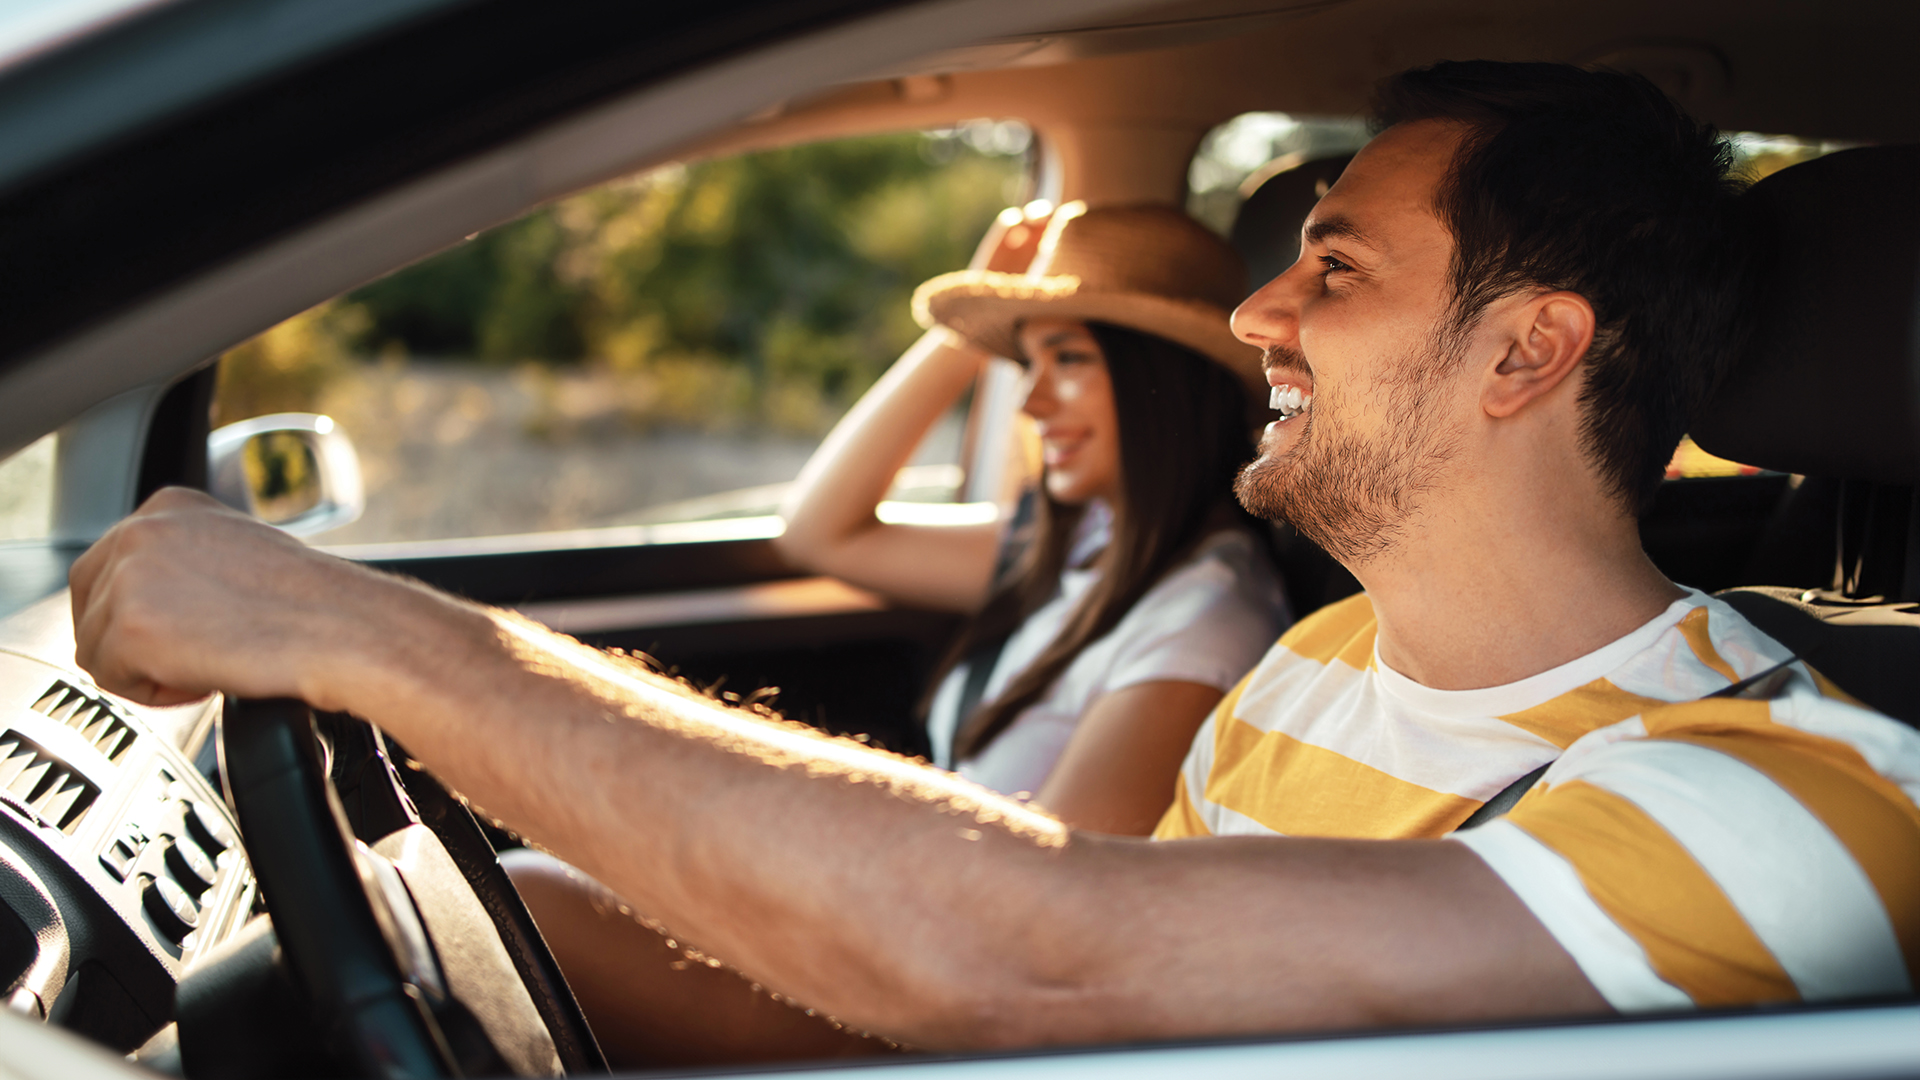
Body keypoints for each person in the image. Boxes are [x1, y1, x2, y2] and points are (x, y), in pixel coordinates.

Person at [69, 60, 1920, 1060]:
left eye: (1333, 265)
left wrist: (384, 638)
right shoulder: (1317, 670)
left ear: (1530, 353)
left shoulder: (1800, 803)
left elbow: (1042, 965)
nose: (1257, 305)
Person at [773, 200, 1288, 834]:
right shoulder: (1082, 543)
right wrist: (961, 336)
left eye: (1068, 358)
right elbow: (816, 532)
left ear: (1166, 381)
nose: (1029, 402)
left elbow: (1055, 898)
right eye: (1026, 362)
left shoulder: (1199, 624)